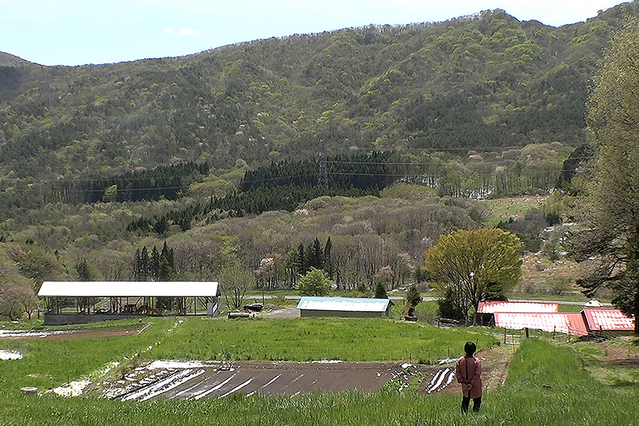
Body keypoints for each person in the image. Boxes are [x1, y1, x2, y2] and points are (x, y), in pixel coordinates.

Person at [455, 341, 482, 413]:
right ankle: (475, 416)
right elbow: (477, 375)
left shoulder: (460, 361)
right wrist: (472, 384)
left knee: (465, 402)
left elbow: (458, 373)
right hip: (475, 386)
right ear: (474, 350)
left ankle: (463, 416)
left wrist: (463, 382)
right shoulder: (477, 361)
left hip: (465, 385)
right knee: (477, 402)